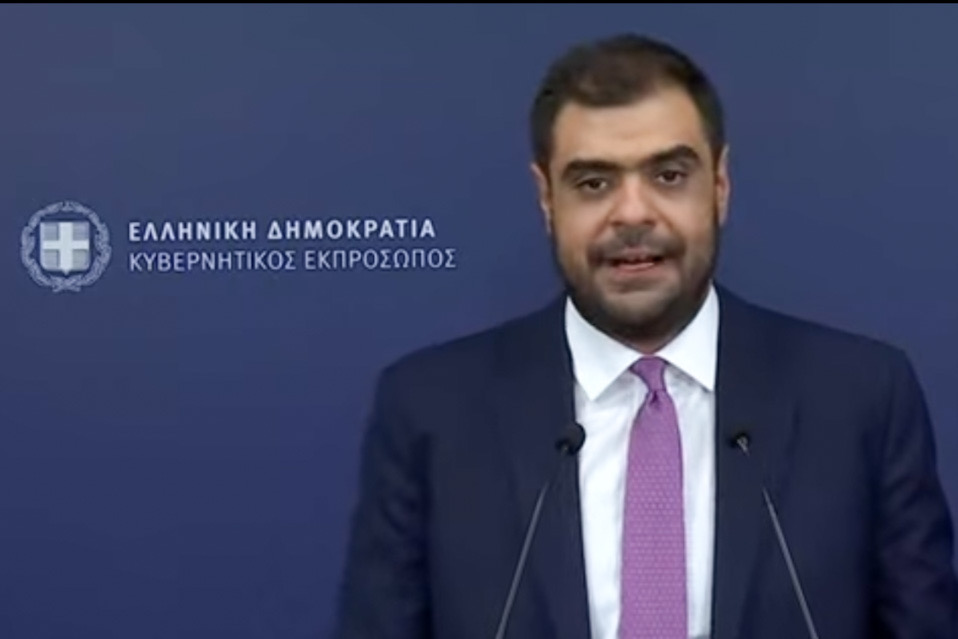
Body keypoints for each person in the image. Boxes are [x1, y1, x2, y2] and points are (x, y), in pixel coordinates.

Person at [332, 33, 958, 639]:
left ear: (720, 186)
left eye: (669, 175)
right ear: (546, 199)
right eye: (594, 183)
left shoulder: (861, 398)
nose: (632, 213)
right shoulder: (430, 411)